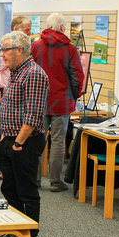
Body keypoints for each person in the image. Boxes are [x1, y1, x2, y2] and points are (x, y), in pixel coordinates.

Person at [0, 31, 49, 237]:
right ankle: (15, 232)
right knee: (10, 189)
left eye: (5, 49)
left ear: (20, 51)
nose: (1, 54)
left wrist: (17, 143)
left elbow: (33, 117)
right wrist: (6, 137)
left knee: (27, 192)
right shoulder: (15, 72)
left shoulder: (33, 74)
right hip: (10, 139)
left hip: (24, 143)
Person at [31, 13, 85, 192]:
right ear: (62, 27)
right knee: (58, 142)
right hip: (61, 102)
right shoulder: (70, 49)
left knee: (37, 141)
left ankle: (35, 180)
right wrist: (75, 96)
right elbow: (77, 76)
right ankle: (55, 181)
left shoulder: (36, 46)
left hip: (38, 101)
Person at [0, 16, 33, 181]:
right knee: (1, 131)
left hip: (10, 93)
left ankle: (0, 166)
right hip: (5, 93)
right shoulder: (8, 48)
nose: (30, 33)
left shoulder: (23, 65)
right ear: (18, 31)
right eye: (27, 30)